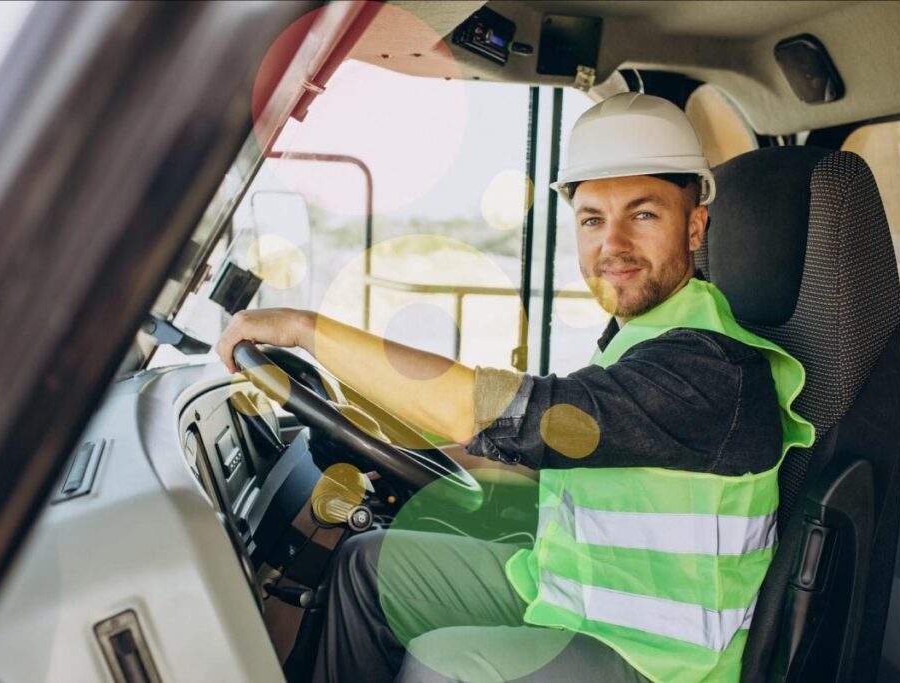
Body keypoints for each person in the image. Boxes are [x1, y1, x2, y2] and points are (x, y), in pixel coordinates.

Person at [216, 93, 815, 683]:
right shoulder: (644, 340)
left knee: (445, 667)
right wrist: (414, 462)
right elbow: (556, 453)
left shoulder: (708, 367)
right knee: (369, 564)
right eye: (592, 219)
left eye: (643, 213)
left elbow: (517, 416)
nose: (613, 246)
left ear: (695, 227)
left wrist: (303, 328)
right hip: (571, 596)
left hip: (659, 660)